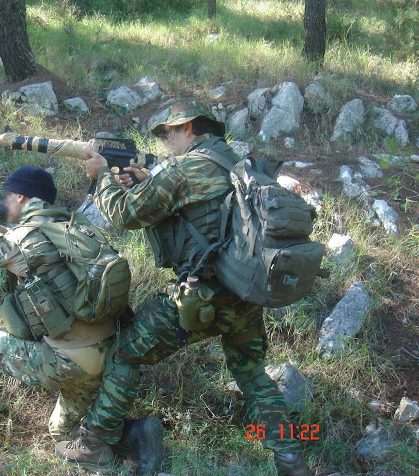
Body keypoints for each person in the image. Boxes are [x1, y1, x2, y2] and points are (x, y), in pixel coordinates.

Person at [56, 101, 314, 476]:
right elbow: (202, 213)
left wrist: (100, 177)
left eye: (169, 132)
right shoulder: (236, 164)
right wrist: (148, 184)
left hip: (201, 297)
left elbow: (124, 215)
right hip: (244, 292)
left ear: (189, 128)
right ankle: (291, 460)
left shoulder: (186, 167)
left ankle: (94, 443)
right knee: (253, 375)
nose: (166, 141)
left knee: (127, 352)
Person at [0, 165, 157, 465]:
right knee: (60, 435)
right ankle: (130, 436)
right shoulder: (77, 227)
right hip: (106, 359)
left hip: (66, 362)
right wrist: (5, 234)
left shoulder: (17, 239)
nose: (5, 204)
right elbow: (49, 263)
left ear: (21, 197)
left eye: (7, 197)